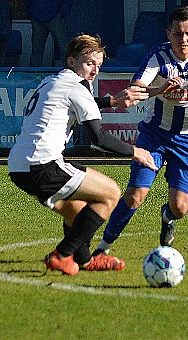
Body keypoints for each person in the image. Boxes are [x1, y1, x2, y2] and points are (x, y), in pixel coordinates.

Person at [8, 34, 157, 276]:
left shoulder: (51, 81)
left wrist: (109, 101)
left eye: (98, 65)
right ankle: (62, 255)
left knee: (75, 210)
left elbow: (74, 103)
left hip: (19, 166)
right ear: (71, 61)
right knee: (111, 194)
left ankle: (85, 260)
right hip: (43, 165)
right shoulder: (77, 87)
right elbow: (99, 139)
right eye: (89, 63)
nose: (95, 70)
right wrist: (135, 152)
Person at [93, 6, 188, 256]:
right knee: (135, 196)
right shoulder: (158, 57)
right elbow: (136, 89)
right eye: (178, 34)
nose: (183, 40)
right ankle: (103, 249)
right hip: (155, 135)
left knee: (179, 208)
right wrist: (160, 89)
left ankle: (167, 218)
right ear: (168, 34)